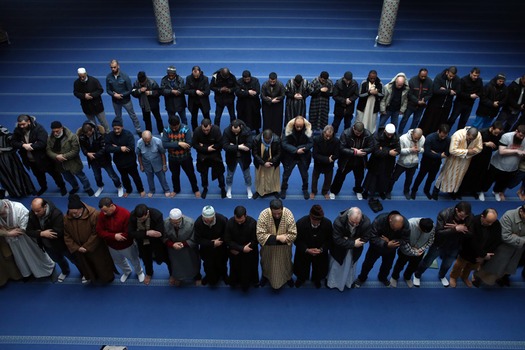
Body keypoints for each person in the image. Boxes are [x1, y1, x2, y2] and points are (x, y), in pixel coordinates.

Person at [413, 201, 473, 288]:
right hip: (439, 244)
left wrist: (464, 229)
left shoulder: (470, 217)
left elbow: (471, 234)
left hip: (455, 245)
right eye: (461, 216)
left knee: (447, 264)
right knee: (428, 261)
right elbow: (438, 232)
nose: (463, 219)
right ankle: (417, 275)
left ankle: (442, 275)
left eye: (465, 217)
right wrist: (455, 229)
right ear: (456, 210)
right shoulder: (444, 214)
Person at [63, 194, 115, 284]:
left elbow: (97, 233)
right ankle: (92, 277)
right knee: (87, 265)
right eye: (71, 213)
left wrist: (87, 246)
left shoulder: (94, 215)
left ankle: (107, 278)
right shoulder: (67, 218)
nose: (73, 215)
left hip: (96, 247)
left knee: (101, 264)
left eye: (75, 212)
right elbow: (66, 235)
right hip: (79, 248)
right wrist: (77, 247)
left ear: (81, 208)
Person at [11, 114, 67, 196]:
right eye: (20, 125)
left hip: (44, 158)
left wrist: (31, 146)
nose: (22, 126)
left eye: (23, 124)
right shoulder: (17, 130)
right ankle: (43, 187)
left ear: (29, 122)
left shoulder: (39, 129)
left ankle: (62, 186)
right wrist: (23, 145)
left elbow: (43, 143)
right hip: (30, 160)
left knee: (55, 174)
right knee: (38, 176)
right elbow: (13, 142)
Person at [0, 199, 55, 279]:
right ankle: (28, 272)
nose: (2, 216)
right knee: (20, 257)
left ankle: (47, 270)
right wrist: (8, 233)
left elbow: (25, 226)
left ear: (5, 206)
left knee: (35, 253)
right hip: (11, 240)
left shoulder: (18, 208)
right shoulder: (1, 211)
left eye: (2, 213)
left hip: (26, 238)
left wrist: (8, 231)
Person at [354, 211, 410, 287]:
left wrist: (392, 242)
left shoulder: (405, 224)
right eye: (393, 228)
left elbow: (405, 239)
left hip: (391, 249)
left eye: (397, 230)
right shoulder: (379, 220)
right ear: (390, 220)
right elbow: (372, 237)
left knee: (387, 266)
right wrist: (386, 244)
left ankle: (383, 278)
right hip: (375, 248)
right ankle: (362, 278)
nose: (395, 231)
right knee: (368, 264)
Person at [26, 198, 77, 282]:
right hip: (47, 245)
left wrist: (38, 231)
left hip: (62, 244)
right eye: (34, 211)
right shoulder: (32, 214)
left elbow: (57, 232)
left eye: (38, 211)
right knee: (58, 260)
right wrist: (42, 233)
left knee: (74, 259)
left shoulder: (56, 214)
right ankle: (65, 271)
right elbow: (28, 231)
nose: (35, 213)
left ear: (45, 207)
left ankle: (84, 272)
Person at [474, 205, 525, 287]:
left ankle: (502, 278)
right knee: (491, 267)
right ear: (522, 211)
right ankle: (479, 279)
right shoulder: (509, 216)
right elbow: (505, 236)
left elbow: (510, 237)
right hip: (503, 249)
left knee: (508, 268)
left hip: (518, 250)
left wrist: (516, 237)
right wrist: (522, 240)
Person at [96, 197, 145, 283]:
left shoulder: (125, 214)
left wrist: (108, 234)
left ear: (111, 205)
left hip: (127, 245)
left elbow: (128, 233)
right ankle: (127, 271)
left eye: (105, 211)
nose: (103, 213)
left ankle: (139, 272)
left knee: (134, 260)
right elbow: (99, 231)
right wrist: (114, 236)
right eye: (102, 211)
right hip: (111, 245)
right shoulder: (102, 215)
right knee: (118, 261)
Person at [449, 208, 501, 288]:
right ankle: (453, 277)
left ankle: (464, 277)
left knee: (471, 267)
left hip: (482, 254)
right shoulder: (473, 222)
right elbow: (472, 242)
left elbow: (497, 240)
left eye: (492, 222)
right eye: (488, 221)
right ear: (482, 216)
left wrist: (485, 255)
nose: (490, 224)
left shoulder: (496, 224)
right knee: (459, 265)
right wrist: (483, 255)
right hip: (468, 251)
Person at [46, 121, 95, 196]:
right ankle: (75, 187)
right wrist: (56, 156)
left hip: (73, 162)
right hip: (60, 164)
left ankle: (87, 188)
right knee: (68, 178)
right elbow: (48, 150)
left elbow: (75, 150)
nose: (55, 133)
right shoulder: (50, 138)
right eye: (54, 131)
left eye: (57, 131)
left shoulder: (72, 136)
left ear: (61, 128)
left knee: (82, 177)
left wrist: (63, 156)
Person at [256, 199, 297, 289]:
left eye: (279, 213)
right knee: (267, 263)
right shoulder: (264, 214)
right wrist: (279, 238)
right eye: (274, 214)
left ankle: (288, 277)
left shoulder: (288, 214)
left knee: (286, 264)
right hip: (268, 250)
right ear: (270, 210)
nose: (277, 215)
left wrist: (271, 239)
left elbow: (293, 234)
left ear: (282, 209)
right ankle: (265, 276)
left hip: (284, 250)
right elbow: (260, 236)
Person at [432, 127, 482, 199]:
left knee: (459, 177)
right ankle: (436, 191)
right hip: (454, 160)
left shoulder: (478, 135)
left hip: (466, 160)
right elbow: (452, 150)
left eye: (472, 139)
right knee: (445, 175)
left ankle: (453, 191)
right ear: (467, 134)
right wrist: (467, 151)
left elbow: (479, 148)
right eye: (470, 139)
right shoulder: (457, 135)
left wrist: (470, 152)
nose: (471, 140)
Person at [457, 122, 503, 200]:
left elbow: (496, 146)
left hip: (486, 157)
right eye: (495, 133)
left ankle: (474, 190)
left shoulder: (498, 135)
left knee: (480, 174)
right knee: (468, 173)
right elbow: (472, 144)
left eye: (497, 134)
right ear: (492, 128)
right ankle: (460, 191)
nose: (496, 135)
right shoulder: (481, 133)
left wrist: (493, 146)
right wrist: (485, 144)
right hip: (475, 156)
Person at [327, 207, 369, 291]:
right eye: (352, 222)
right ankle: (332, 283)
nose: (354, 225)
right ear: (348, 216)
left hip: (354, 252)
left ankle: (348, 282)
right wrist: (353, 243)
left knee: (350, 268)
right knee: (336, 267)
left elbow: (366, 238)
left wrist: (347, 240)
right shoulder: (338, 222)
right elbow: (337, 240)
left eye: (357, 223)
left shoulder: (366, 222)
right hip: (339, 251)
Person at [77, 120, 123, 198]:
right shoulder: (82, 136)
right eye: (86, 135)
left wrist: (95, 155)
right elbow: (83, 147)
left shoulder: (101, 135)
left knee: (112, 175)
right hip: (92, 160)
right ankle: (100, 186)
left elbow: (104, 148)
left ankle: (119, 186)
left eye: (89, 134)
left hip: (104, 159)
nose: (87, 136)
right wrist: (87, 153)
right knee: (97, 175)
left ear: (92, 129)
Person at [330, 122, 374, 200]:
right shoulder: (345, 133)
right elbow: (341, 148)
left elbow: (371, 147)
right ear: (353, 128)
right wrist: (355, 152)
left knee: (359, 178)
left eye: (360, 133)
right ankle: (334, 191)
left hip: (360, 161)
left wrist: (363, 151)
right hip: (346, 160)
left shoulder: (368, 134)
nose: (358, 135)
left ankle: (358, 190)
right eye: (357, 133)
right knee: (339, 177)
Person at [129, 204, 171, 285]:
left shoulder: (157, 215)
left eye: (143, 219)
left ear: (147, 213)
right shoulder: (133, 216)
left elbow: (160, 234)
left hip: (157, 243)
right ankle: (149, 273)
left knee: (167, 259)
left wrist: (139, 234)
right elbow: (131, 233)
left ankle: (172, 274)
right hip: (142, 243)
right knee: (146, 260)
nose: (141, 220)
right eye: (139, 219)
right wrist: (147, 233)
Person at [293, 205, 332, 288]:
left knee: (319, 267)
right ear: (310, 217)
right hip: (304, 251)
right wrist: (306, 249)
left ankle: (316, 279)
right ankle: (301, 278)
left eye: (319, 220)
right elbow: (297, 240)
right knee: (302, 266)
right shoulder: (301, 223)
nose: (316, 223)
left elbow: (329, 240)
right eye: (314, 220)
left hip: (320, 252)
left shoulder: (327, 224)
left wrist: (321, 250)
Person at [105, 118, 145, 198]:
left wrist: (116, 148)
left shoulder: (128, 134)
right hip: (119, 162)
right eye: (114, 129)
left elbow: (130, 148)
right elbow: (107, 148)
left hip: (130, 161)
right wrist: (120, 148)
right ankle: (128, 190)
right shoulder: (110, 135)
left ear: (122, 127)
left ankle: (141, 190)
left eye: (118, 128)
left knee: (136, 177)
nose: (116, 130)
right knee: (124, 178)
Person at [483, 125, 525, 201]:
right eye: (521, 135)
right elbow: (501, 151)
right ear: (516, 131)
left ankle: (496, 192)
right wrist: (516, 151)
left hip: (512, 167)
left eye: (523, 136)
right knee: (488, 180)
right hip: (497, 164)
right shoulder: (506, 136)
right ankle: (482, 191)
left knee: (502, 182)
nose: (522, 138)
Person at [161, 116, 200, 197]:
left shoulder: (186, 129)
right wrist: (179, 143)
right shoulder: (166, 129)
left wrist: (171, 145)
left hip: (185, 158)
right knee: (174, 175)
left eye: (176, 127)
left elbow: (189, 144)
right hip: (172, 158)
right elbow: (164, 144)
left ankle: (195, 189)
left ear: (179, 123)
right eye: (172, 127)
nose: (174, 129)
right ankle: (176, 189)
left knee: (191, 174)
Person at [389, 218, 434, 288]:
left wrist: (420, 249)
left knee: (413, 266)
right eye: (422, 231)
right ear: (419, 226)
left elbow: (430, 241)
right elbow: (403, 241)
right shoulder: (409, 225)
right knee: (400, 264)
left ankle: (407, 277)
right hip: (405, 250)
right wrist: (414, 251)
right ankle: (394, 277)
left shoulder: (432, 227)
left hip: (419, 252)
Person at [410, 124, 451, 199]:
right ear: (438, 131)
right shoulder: (430, 138)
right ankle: (414, 190)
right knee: (420, 177)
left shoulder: (448, 140)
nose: (443, 138)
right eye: (442, 136)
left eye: (445, 136)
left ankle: (426, 190)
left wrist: (435, 153)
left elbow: (447, 153)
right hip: (426, 162)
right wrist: (440, 155)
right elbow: (427, 152)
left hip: (437, 163)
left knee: (431, 178)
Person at [163, 208, 201, 286]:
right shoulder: (165, 223)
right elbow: (163, 237)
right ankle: (178, 277)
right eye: (173, 223)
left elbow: (195, 238)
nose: (176, 225)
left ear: (182, 217)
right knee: (175, 264)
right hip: (173, 249)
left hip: (189, 249)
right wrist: (172, 244)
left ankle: (197, 277)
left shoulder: (190, 223)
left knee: (194, 262)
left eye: (177, 222)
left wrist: (183, 244)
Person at [224, 205, 259, 290]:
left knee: (250, 269)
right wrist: (241, 248)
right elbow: (227, 240)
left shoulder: (253, 223)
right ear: (234, 216)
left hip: (250, 252)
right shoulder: (230, 223)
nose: (239, 223)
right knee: (235, 268)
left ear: (245, 216)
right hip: (235, 252)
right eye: (237, 221)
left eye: (241, 221)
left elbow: (255, 240)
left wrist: (244, 249)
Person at [419, 66, 461, 136]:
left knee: (440, 123)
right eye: (450, 76)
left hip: (446, 106)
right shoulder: (439, 77)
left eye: (453, 76)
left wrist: (444, 90)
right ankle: (424, 136)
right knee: (428, 122)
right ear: (447, 72)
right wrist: (449, 91)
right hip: (434, 104)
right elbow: (436, 90)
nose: (451, 78)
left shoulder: (457, 79)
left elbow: (458, 91)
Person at [363, 123, 400, 201]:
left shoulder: (396, 137)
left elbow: (398, 150)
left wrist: (382, 149)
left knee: (385, 178)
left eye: (391, 135)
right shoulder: (376, 136)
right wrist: (389, 152)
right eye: (388, 134)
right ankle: (366, 191)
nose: (390, 136)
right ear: (385, 131)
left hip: (388, 163)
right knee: (371, 178)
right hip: (376, 162)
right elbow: (375, 151)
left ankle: (381, 191)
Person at [194, 205, 229, 286]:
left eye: (210, 219)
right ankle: (209, 275)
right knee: (208, 267)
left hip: (221, 248)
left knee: (222, 264)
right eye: (206, 219)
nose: (208, 221)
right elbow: (197, 239)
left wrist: (219, 241)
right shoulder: (198, 222)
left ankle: (224, 275)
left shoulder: (222, 219)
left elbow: (227, 234)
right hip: (207, 250)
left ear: (214, 215)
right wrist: (212, 243)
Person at [105, 59, 142, 135]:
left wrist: (121, 95)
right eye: (111, 67)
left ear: (118, 66)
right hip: (115, 101)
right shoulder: (108, 77)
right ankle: (120, 130)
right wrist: (114, 95)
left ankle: (138, 129)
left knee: (133, 115)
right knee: (118, 117)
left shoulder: (125, 76)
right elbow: (108, 90)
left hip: (126, 100)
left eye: (114, 67)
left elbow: (130, 90)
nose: (113, 69)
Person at [280, 116, 313, 200]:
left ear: (304, 125)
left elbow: (310, 143)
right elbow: (284, 143)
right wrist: (296, 150)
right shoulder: (287, 129)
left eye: (300, 127)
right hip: (290, 156)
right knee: (286, 175)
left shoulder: (308, 130)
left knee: (304, 175)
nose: (298, 128)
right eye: (297, 126)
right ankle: (283, 189)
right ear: (294, 124)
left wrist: (301, 148)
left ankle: (305, 189)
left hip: (303, 156)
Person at [192, 118, 226, 199]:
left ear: (211, 126)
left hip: (215, 154)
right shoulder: (197, 131)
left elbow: (220, 143)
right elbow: (194, 144)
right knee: (203, 174)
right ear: (201, 127)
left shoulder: (216, 130)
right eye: (204, 130)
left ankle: (222, 188)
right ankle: (205, 188)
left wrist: (203, 146)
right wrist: (206, 148)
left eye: (207, 130)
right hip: (203, 155)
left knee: (220, 173)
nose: (206, 132)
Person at [388, 128, 425, 200]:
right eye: (415, 138)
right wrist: (410, 150)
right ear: (412, 133)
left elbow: (423, 149)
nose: (417, 140)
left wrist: (419, 150)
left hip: (413, 164)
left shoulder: (423, 138)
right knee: (394, 178)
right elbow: (399, 151)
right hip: (401, 163)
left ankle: (406, 191)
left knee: (409, 179)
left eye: (419, 138)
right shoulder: (403, 138)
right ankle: (388, 191)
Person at [0, 124, 35, 198]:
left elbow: (14, 147)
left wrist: (2, 150)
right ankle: (14, 191)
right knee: (5, 176)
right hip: (2, 161)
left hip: (10, 159)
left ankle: (26, 190)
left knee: (17, 175)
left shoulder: (7, 135)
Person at [222, 119, 253, 199]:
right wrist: (239, 146)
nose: (235, 133)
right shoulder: (226, 131)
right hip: (231, 157)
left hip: (244, 157)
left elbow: (249, 145)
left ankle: (249, 189)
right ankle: (229, 189)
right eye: (234, 131)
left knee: (247, 175)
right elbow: (225, 146)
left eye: (237, 131)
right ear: (231, 127)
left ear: (241, 127)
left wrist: (232, 146)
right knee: (229, 175)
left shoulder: (247, 131)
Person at [73, 67, 110, 133]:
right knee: (92, 124)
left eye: (83, 76)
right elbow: (76, 93)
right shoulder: (76, 83)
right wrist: (84, 96)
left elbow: (100, 90)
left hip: (97, 106)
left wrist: (92, 95)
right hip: (86, 107)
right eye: (80, 77)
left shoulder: (94, 80)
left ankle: (108, 133)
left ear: (86, 74)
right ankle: (95, 135)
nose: (82, 78)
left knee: (103, 122)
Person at [136, 130, 170, 197]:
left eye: (148, 140)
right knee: (149, 179)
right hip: (147, 165)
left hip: (158, 164)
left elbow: (162, 154)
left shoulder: (158, 141)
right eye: (145, 141)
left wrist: (164, 165)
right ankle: (151, 190)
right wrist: (141, 165)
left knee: (162, 179)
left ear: (151, 137)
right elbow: (139, 155)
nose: (147, 142)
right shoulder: (139, 143)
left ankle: (166, 190)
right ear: (142, 138)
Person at [398, 68, 432, 134]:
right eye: (422, 76)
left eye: (425, 76)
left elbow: (430, 94)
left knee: (416, 121)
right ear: (419, 74)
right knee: (404, 120)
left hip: (421, 106)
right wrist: (417, 101)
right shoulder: (412, 80)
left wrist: (424, 99)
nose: (423, 78)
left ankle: (411, 134)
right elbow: (409, 94)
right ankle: (399, 133)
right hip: (411, 105)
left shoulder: (429, 82)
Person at [311, 125, 339, 199]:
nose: (328, 137)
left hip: (329, 165)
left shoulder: (336, 141)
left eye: (330, 136)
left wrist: (331, 159)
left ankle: (325, 191)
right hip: (318, 163)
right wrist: (327, 159)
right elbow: (315, 154)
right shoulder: (316, 139)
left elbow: (337, 154)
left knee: (328, 179)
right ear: (323, 133)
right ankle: (313, 191)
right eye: (327, 135)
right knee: (315, 178)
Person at [252, 129, 281, 199]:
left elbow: (279, 153)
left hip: (273, 162)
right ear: (262, 136)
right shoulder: (256, 139)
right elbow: (255, 154)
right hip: (260, 162)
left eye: (269, 140)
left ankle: (274, 191)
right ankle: (259, 191)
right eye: (265, 140)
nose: (267, 141)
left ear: (272, 137)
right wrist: (263, 163)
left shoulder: (277, 140)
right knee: (259, 177)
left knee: (273, 177)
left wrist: (271, 162)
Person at [185, 65, 211, 131]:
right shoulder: (188, 78)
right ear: (192, 72)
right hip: (193, 102)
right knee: (194, 118)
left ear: (200, 72)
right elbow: (186, 90)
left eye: (197, 75)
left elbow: (208, 91)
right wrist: (195, 91)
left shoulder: (205, 78)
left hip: (203, 101)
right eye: (194, 75)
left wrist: (202, 93)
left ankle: (209, 129)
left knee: (207, 117)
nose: (196, 77)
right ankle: (195, 131)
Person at [235, 70, 261, 134]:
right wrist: (248, 92)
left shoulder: (255, 81)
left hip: (254, 104)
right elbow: (237, 93)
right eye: (245, 79)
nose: (247, 80)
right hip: (242, 105)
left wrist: (244, 91)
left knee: (255, 117)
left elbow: (257, 92)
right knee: (243, 118)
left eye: (248, 79)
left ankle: (257, 129)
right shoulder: (238, 82)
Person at [261, 72, 285, 137]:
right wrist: (271, 100)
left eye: (273, 81)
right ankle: (266, 134)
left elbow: (283, 96)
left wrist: (276, 99)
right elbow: (262, 96)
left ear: (276, 79)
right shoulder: (264, 85)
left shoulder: (280, 85)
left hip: (277, 106)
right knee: (267, 120)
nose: (272, 82)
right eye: (271, 81)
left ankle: (277, 135)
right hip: (267, 106)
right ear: (269, 79)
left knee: (277, 121)